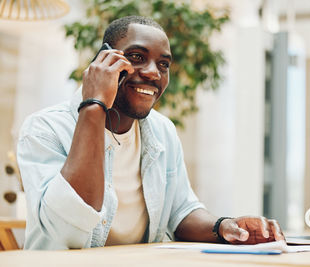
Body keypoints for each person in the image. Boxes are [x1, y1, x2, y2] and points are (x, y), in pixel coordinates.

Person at [17, 15, 284, 250]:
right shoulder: (44, 129)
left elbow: (181, 211)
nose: (153, 73)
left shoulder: (162, 131)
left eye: (163, 64)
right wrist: (94, 103)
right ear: (104, 61)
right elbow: (67, 231)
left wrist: (225, 226)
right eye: (137, 58)